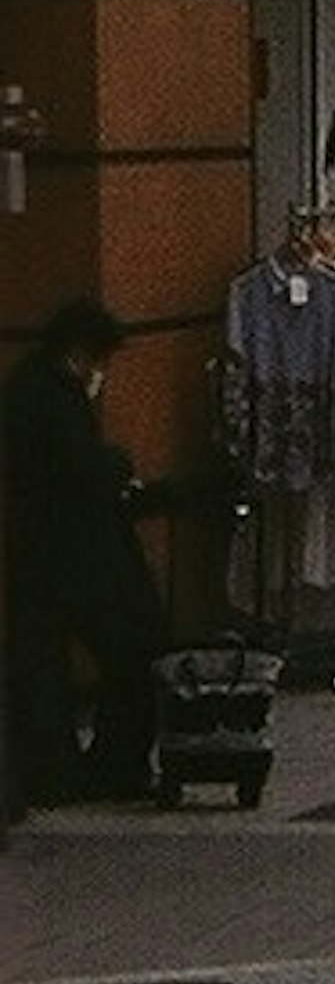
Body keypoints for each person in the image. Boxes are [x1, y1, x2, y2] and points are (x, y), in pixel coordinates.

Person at [3, 297, 168, 804]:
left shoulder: (28, 389)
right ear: (82, 352)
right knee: (130, 652)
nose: (102, 374)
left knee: (43, 669)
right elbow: (77, 467)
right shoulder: (51, 398)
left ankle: (54, 772)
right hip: (72, 558)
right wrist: (117, 465)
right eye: (101, 361)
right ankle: (110, 768)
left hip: (37, 555)